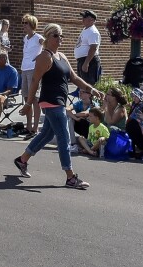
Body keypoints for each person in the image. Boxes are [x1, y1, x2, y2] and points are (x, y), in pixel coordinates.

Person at [13, 24, 101, 190]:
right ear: (47, 37)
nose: (60, 38)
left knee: (47, 134)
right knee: (64, 138)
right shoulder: (44, 57)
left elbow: (74, 78)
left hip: (59, 101)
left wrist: (91, 88)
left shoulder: (61, 56)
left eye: (61, 36)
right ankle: (70, 177)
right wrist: (28, 103)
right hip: (51, 101)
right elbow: (34, 82)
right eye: (56, 35)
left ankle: (22, 160)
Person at [19, 14, 44, 138]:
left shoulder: (38, 37)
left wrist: (40, 58)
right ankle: (28, 126)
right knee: (25, 97)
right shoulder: (25, 38)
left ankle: (35, 128)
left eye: (26, 23)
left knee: (34, 99)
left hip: (33, 69)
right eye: (23, 23)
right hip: (24, 68)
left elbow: (46, 46)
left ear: (32, 25)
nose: (24, 25)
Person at [74, 10, 101, 84]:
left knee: (88, 84)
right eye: (83, 17)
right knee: (82, 84)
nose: (83, 19)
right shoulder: (86, 29)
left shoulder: (93, 32)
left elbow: (93, 48)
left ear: (92, 20)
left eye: (85, 17)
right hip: (82, 60)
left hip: (89, 61)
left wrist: (86, 63)